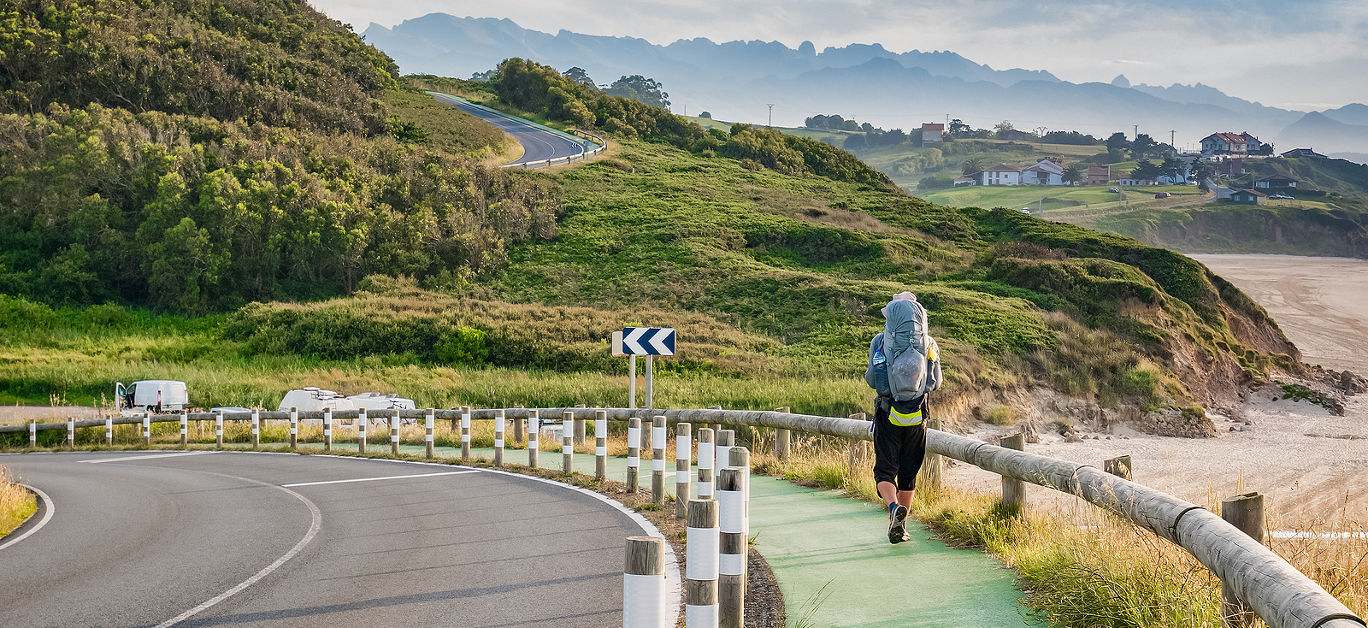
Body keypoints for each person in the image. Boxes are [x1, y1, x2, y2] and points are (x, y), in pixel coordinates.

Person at [865, 292, 942, 544]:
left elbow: (872, 380)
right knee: (908, 474)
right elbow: (935, 382)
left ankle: (892, 508)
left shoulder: (879, 341)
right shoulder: (929, 343)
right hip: (918, 416)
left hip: (888, 413)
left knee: (885, 472)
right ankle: (902, 525)